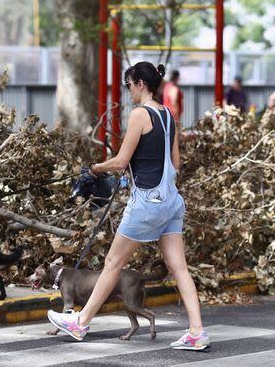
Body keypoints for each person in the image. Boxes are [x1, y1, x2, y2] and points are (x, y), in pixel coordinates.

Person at [47, 61, 209, 350]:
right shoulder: (168, 115)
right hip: (172, 200)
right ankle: (197, 332)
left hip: (147, 202)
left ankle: (80, 323)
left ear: (140, 84)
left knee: (112, 263)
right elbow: (176, 163)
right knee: (180, 268)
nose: (128, 91)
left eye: (129, 85)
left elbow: (121, 161)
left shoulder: (139, 114)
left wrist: (95, 168)